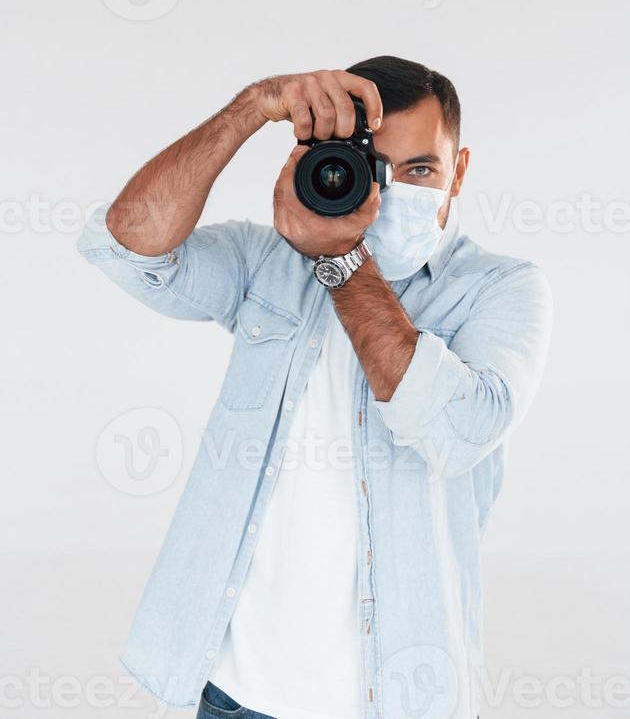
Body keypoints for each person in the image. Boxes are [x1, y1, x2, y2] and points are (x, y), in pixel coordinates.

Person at [76, 55, 553, 719]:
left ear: (460, 172)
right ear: (319, 163)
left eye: (421, 170)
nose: (391, 191)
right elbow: (128, 247)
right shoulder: (268, 260)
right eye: (371, 167)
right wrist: (251, 107)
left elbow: (455, 431)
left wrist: (340, 260)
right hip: (233, 694)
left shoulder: (501, 289)